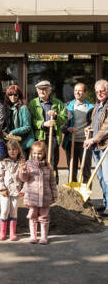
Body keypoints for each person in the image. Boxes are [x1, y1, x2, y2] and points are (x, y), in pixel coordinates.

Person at [18, 141, 57, 244]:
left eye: (39, 153)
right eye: (35, 153)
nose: (37, 155)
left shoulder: (48, 166)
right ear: (31, 153)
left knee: (44, 217)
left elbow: (52, 182)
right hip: (32, 197)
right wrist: (23, 170)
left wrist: (54, 194)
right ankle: (33, 236)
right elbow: (24, 179)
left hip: (45, 197)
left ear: (44, 153)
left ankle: (44, 237)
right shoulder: (28, 165)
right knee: (33, 216)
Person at [28, 80, 67, 182]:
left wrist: (56, 116)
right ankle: (37, 184)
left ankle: (53, 185)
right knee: (38, 161)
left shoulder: (58, 103)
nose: (42, 91)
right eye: (40, 89)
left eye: (45, 89)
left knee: (52, 162)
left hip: (53, 137)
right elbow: (31, 121)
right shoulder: (33, 103)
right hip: (39, 137)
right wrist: (43, 124)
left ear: (50, 90)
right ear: (37, 90)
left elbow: (64, 118)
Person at [61, 83, 94, 183]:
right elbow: (61, 125)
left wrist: (91, 127)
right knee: (72, 171)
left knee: (86, 171)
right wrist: (67, 129)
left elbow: (95, 124)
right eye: (75, 90)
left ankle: (85, 198)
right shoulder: (67, 106)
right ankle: (73, 197)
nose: (77, 93)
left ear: (85, 92)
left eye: (80, 90)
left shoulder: (92, 107)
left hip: (85, 143)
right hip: (71, 142)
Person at [84, 79, 108, 216]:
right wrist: (90, 128)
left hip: (105, 145)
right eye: (97, 91)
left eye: (102, 90)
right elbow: (97, 123)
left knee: (107, 177)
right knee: (100, 177)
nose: (99, 93)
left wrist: (93, 138)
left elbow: (106, 127)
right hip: (97, 146)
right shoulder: (97, 105)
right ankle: (106, 203)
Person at [0, 139, 25, 241]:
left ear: (18, 150)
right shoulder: (3, 162)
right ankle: (2, 232)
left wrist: (23, 189)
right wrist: (2, 188)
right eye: (9, 149)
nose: (12, 151)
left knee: (14, 211)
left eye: (14, 149)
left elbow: (25, 178)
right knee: (4, 210)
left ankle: (12, 233)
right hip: (5, 191)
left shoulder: (21, 163)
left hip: (16, 191)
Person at [3, 84, 34, 157]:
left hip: (24, 142)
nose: (13, 97)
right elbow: (9, 125)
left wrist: (13, 132)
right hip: (13, 142)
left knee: (23, 165)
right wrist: (5, 131)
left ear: (19, 96)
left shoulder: (23, 108)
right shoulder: (8, 108)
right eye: (10, 95)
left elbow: (27, 127)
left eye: (15, 95)